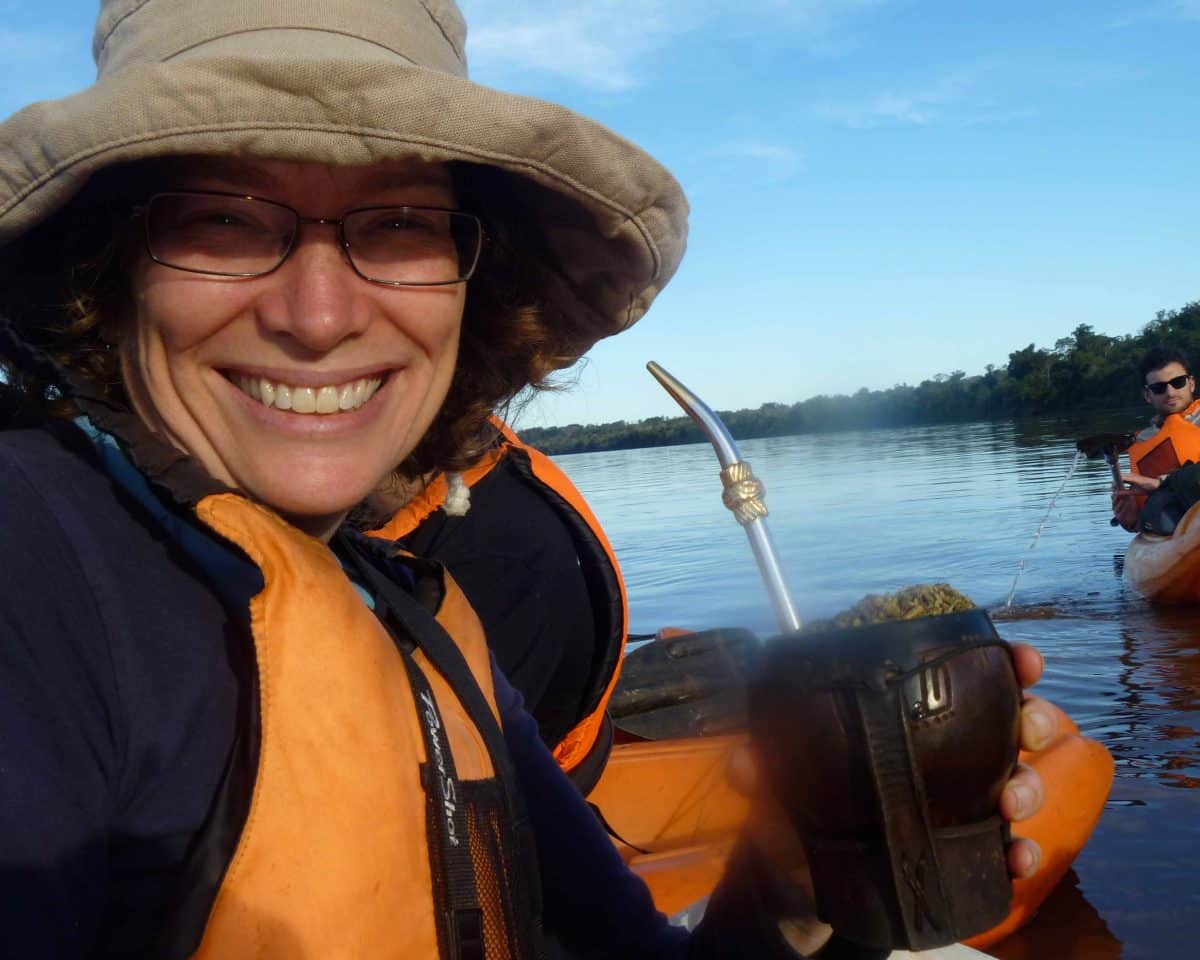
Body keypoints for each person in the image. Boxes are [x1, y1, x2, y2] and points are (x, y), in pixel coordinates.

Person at [0, 1, 1057, 956]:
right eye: (222, 221)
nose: (317, 317)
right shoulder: (30, 563)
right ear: (111, 274)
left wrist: (789, 872)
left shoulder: (420, 618)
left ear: (476, 283)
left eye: (401, 223)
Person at [1113, 347, 1200, 531]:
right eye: (1159, 388)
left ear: (1191, 383)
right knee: (1157, 504)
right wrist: (1132, 519)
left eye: (1178, 382)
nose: (1170, 392)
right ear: (1147, 395)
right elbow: (1143, 518)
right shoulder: (1142, 442)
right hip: (1180, 532)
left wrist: (1160, 484)